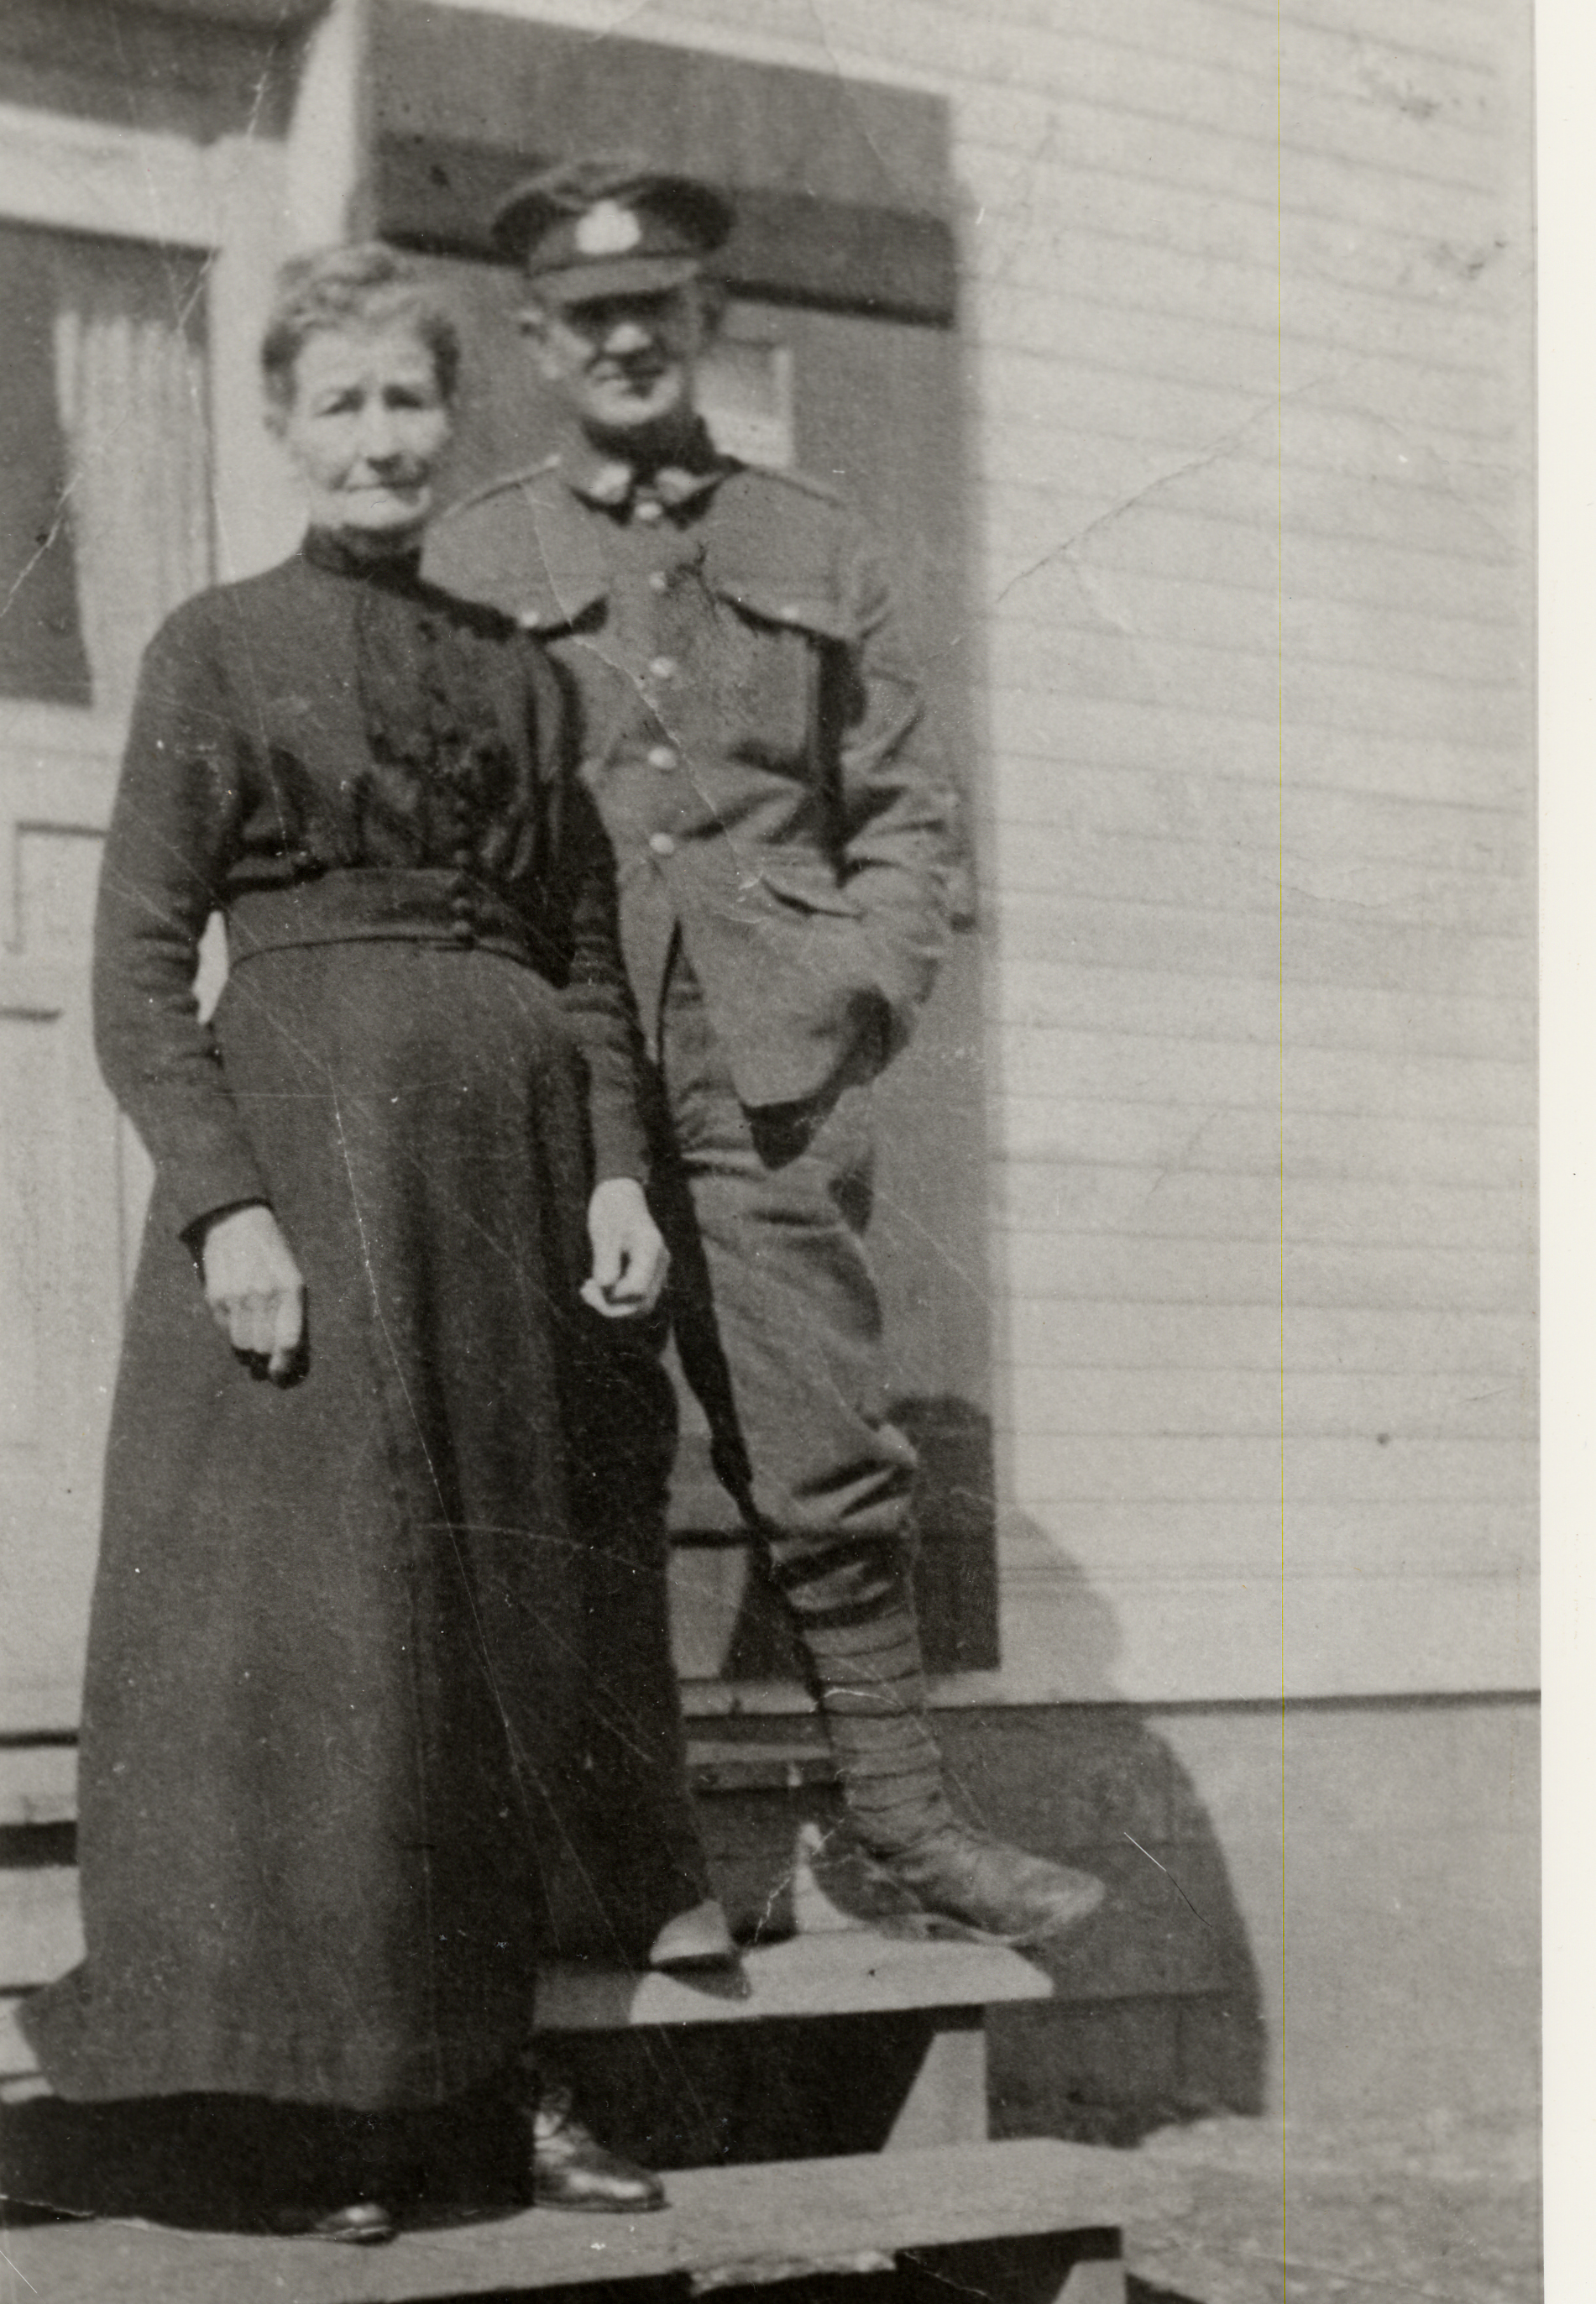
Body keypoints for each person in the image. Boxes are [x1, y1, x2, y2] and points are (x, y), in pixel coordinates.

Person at [18, 243, 696, 2241]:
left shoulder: (527, 676)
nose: (383, 439)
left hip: (513, 1204)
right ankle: (328, 2118)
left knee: (514, 1638)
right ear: (282, 426)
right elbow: (138, 968)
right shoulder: (216, 649)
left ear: (452, 422)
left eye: (412, 400)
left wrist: (618, 1175)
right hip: (315, 1187)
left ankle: (522, 2089)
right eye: (344, 404)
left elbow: (587, 964)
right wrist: (229, 1203)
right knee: (333, 1645)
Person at [426, 159, 1106, 1947]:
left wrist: (860, 984)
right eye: (588, 320)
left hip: (772, 1063)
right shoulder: (475, 557)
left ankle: (901, 1823)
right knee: (579, 1459)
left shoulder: (819, 541)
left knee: (822, 1448)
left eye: (655, 310)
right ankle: (625, 1862)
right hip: (561, 1065)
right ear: (537, 342)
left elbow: (907, 815)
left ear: (709, 318)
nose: (624, 343)